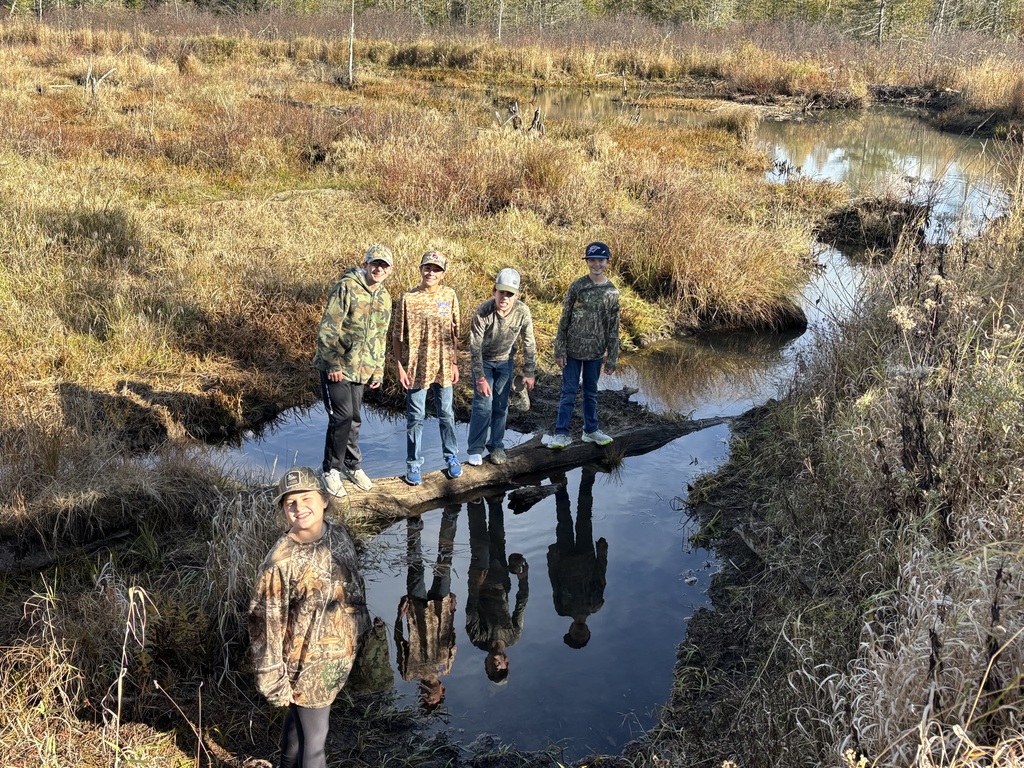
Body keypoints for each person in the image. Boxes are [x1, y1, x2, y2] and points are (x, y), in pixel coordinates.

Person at [249, 466, 371, 768]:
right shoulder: (280, 561)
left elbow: (353, 584)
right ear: (282, 510)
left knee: (298, 730)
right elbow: (264, 623)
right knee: (315, 745)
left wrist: (364, 625)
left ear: (324, 499)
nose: (299, 508)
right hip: (305, 667)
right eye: (290, 502)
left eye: (307, 498)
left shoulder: (339, 533)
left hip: (338, 658)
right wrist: (273, 681)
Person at [314, 244, 394, 496]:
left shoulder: (385, 297)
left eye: (384, 265)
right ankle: (330, 470)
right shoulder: (346, 287)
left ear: (390, 270)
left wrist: (377, 370)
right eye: (375, 264)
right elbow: (329, 328)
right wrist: (332, 364)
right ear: (367, 263)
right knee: (342, 417)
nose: (379, 268)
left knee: (355, 418)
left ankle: (352, 465)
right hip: (337, 367)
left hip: (363, 369)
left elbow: (381, 337)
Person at [392, 250, 462, 485]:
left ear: (443, 273)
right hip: (417, 366)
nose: (431, 272)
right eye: (427, 267)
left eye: (436, 269)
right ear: (421, 269)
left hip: (443, 364)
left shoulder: (449, 295)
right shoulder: (408, 299)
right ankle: (413, 463)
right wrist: (400, 367)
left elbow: (454, 332)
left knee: (446, 414)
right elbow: (397, 336)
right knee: (415, 417)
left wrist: (454, 362)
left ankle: (451, 457)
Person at [549, 241, 621, 449]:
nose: (596, 264)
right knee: (568, 391)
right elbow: (564, 320)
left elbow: (613, 328)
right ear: (587, 261)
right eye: (592, 260)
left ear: (607, 262)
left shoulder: (612, 292)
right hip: (572, 351)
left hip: (596, 353)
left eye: (601, 260)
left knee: (591, 392)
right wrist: (559, 349)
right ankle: (561, 433)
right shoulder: (577, 286)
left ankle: (590, 430)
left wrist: (612, 358)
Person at [466, 268, 537, 467]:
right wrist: (480, 377)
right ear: (494, 291)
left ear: (517, 296)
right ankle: (475, 449)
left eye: (509, 294)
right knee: (483, 405)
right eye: (501, 292)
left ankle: (496, 445)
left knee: (501, 405)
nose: (504, 298)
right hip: (484, 361)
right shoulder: (483, 311)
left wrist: (529, 371)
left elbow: (529, 341)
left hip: (506, 362)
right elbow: (474, 347)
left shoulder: (522, 311)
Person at [394, 507, 459, 712]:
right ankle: (450, 518)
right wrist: (453, 611)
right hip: (441, 612)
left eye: (424, 701)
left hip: (416, 614)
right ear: (443, 691)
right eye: (433, 701)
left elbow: (399, 642)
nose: (428, 698)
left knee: (415, 567)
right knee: (444, 564)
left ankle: (413, 525)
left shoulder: (409, 673)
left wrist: (399, 617)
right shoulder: (446, 668)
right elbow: (451, 639)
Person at [465, 494, 529, 684]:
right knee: (498, 540)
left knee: (480, 545)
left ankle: (475, 504)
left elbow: (471, 611)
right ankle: (495, 502)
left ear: (486, 665)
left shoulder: (478, 639)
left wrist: (476, 585)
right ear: (506, 662)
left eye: (492, 669)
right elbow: (520, 607)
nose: (495, 666)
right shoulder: (514, 637)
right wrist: (523, 581)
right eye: (500, 668)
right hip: (501, 583)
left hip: (480, 583)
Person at [548, 465, 608, 649]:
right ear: (588, 631)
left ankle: (559, 483)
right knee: (584, 515)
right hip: (587, 557)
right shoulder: (596, 605)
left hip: (565, 558)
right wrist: (602, 553)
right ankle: (588, 474)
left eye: (575, 635)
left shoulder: (562, 609)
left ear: (570, 630)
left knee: (563, 517)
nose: (579, 632)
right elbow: (600, 577)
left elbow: (555, 582)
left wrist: (552, 560)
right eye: (583, 635)